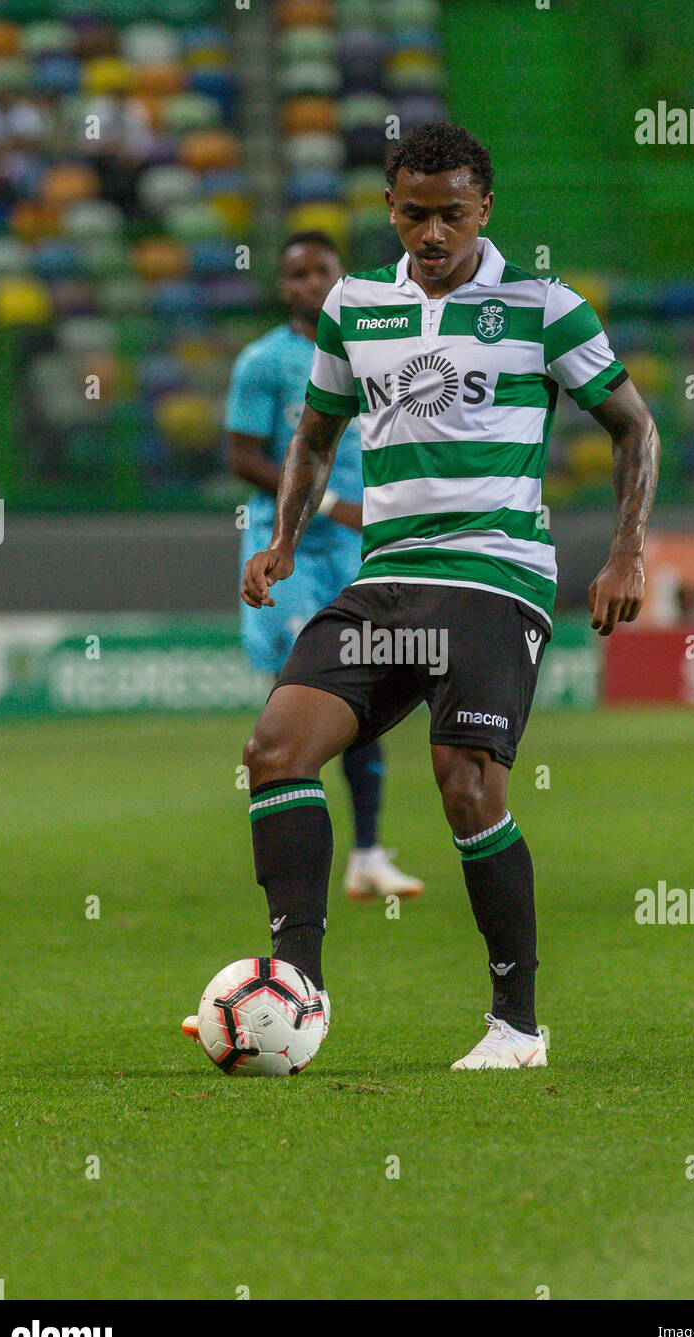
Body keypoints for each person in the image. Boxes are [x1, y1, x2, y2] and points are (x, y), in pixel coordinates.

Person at [239, 123, 659, 1067]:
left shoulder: (544, 307)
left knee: (466, 786)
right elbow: (313, 435)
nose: (433, 234)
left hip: (495, 576)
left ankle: (517, 1026)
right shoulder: (355, 308)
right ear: (391, 210)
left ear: (486, 210)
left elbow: (636, 429)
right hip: (385, 581)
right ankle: (294, 992)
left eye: (453, 216)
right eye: (415, 214)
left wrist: (626, 549)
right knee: (274, 749)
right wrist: (282, 541)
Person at [225, 231, 423, 902]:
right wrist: (333, 502)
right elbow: (243, 456)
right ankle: (295, 868)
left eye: (322, 270)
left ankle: (365, 853)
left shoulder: (373, 356)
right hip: (287, 553)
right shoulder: (262, 362)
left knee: (359, 696)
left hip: (354, 552)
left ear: (342, 277)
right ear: (284, 286)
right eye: (298, 272)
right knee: (311, 694)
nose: (311, 282)